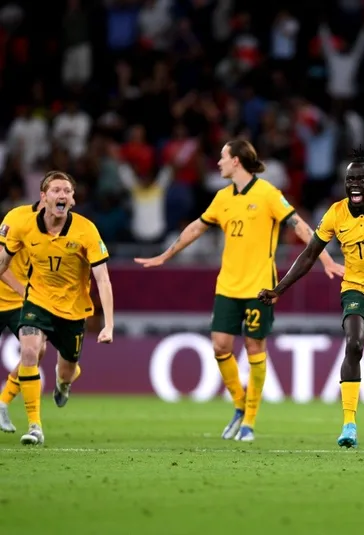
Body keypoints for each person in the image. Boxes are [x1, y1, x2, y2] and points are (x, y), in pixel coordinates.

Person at [136, 139, 344, 443]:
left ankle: (249, 420)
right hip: (228, 286)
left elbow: (299, 226)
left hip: (260, 287)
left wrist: (325, 259)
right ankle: (239, 403)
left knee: (254, 348)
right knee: (220, 346)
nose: (218, 163)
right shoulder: (222, 197)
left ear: (236, 161)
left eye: (223, 157)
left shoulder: (268, 194)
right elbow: (196, 227)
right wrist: (166, 255)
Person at [258, 151, 364, 448]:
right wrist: (279, 289)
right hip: (355, 291)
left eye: (361, 179)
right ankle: (349, 424)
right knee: (353, 344)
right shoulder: (335, 213)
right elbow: (309, 255)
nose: (354, 185)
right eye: (350, 179)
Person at [0, 171, 114, 446]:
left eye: (67, 191)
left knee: (66, 370)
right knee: (30, 351)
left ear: (72, 200)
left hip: (73, 311)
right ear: (44, 196)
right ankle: (34, 426)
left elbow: (102, 279)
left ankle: (64, 383)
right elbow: (2, 262)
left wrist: (109, 324)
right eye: (56, 190)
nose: (62, 195)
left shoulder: (86, 230)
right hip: (36, 301)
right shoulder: (22, 223)